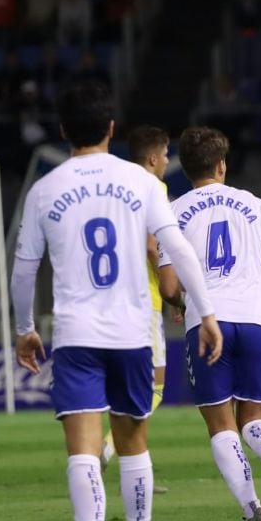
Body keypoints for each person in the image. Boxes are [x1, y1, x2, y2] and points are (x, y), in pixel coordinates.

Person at [11, 81, 222, 521]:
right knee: (133, 443)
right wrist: (206, 312)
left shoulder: (45, 189)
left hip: (78, 334)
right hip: (132, 332)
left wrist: (23, 329)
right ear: (110, 128)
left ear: (63, 131)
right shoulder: (143, 182)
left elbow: (23, 269)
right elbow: (180, 251)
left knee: (83, 449)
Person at [158, 126, 261, 521]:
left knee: (221, 424)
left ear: (184, 170)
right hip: (256, 319)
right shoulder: (252, 203)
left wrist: (188, 303)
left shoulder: (174, 212)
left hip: (208, 323)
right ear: (222, 164)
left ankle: (252, 511)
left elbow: (169, 288)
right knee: (254, 416)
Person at [100, 126, 170, 496]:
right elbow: (152, 245)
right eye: (166, 155)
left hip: (112, 298)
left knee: (128, 383)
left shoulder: (115, 189)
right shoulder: (153, 188)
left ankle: (136, 457)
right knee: (154, 385)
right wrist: (174, 288)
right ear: (154, 158)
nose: (169, 161)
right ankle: (110, 448)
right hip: (146, 302)